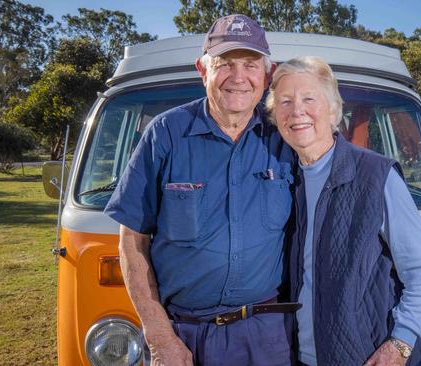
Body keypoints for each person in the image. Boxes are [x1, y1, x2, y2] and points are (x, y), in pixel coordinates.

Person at [105, 14, 299, 366]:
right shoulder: (165, 134)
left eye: (251, 65)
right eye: (225, 63)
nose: (238, 77)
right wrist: (160, 337)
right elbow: (132, 241)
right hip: (183, 335)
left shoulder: (285, 137)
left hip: (268, 336)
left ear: (267, 75)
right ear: (202, 68)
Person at [265, 56, 421, 366]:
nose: (297, 111)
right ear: (274, 114)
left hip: (366, 356)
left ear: (333, 109)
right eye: (285, 101)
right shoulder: (280, 178)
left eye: (309, 98)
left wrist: (400, 344)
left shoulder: (376, 175)